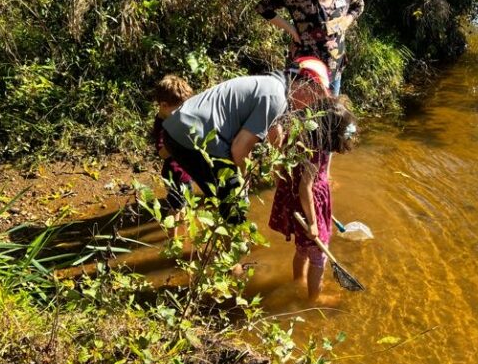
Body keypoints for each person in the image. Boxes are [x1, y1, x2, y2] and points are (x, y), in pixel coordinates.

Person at [161, 56, 331, 224]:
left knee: (222, 201)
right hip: (195, 138)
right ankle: (225, 248)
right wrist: (244, 183)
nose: (311, 105)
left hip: (176, 133)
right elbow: (239, 151)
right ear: (303, 86)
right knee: (235, 208)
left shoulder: (271, 86)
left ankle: (211, 245)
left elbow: (259, 139)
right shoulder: (275, 97)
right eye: (315, 96)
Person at [268, 96, 357, 301]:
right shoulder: (316, 152)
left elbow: (283, 171)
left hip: (302, 205)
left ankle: (298, 281)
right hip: (309, 205)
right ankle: (314, 298)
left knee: (302, 250)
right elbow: (304, 188)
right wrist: (314, 223)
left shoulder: (301, 137)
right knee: (319, 256)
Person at [256, 0, 365, 96]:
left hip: (334, 71)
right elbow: (262, 7)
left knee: (329, 117)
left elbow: (359, 5)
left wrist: (347, 20)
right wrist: (291, 29)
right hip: (304, 72)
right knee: (301, 117)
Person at [152, 74, 195, 236]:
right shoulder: (162, 125)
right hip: (175, 175)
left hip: (185, 173)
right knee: (175, 209)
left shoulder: (173, 119)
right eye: (179, 109)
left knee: (184, 206)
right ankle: (173, 241)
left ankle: (183, 237)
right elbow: (163, 153)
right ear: (164, 105)